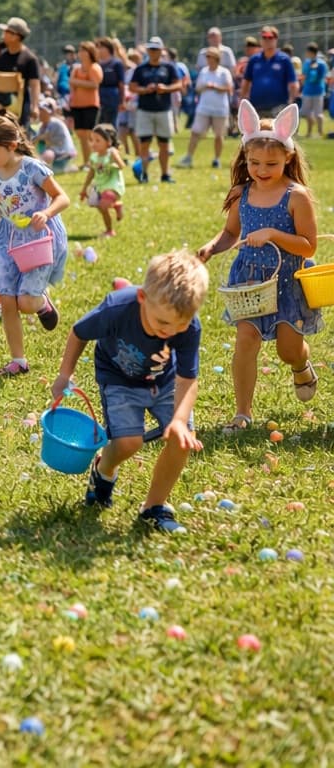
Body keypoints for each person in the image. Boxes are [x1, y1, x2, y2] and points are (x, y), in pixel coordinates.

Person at [50, 250, 207, 535]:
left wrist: (179, 420)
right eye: (161, 323)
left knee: (182, 440)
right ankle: (103, 470)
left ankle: (154, 506)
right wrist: (64, 375)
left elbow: (188, 379)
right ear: (142, 299)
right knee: (128, 444)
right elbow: (78, 333)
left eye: (179, 325)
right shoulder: (117, 309)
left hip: (166, 381)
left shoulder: (188, 326)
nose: (169, 332)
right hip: (119, 378)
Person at [197, 103, 321, 430]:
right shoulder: (242, 193)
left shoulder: (297, 196)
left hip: (288, 282)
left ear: (288, 158)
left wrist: (274, 234)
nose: (261, 170)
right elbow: (230, 233)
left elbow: (309, 245)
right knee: (246, 341)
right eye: (254, 163)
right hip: (250, 281)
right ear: (245, 157)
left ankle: (302, 364)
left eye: (271, 163)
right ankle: (242, 413)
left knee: (288, 349)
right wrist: (212, 247)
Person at [0, 112, 69, 376]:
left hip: (38, 238)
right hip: (7, 241)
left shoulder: (32, 168)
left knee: (26, 302)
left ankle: (42, 303)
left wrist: (46, 213)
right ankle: (18, 361)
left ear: (11, 145)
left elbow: (62, 197)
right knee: (7, 300)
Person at [128, 36, 182, 184]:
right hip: (145, 110)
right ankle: (143, 174)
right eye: (151, 49)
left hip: (163, 110)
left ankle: (165, 174)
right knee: (144, 143)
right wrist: (145, 90)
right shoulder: (140, 69)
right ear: (147, 51)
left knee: (164, 143)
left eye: (156, 49)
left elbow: (178, 85)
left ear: (161, 51)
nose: (153, 52)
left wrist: (165, 89)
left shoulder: (169, 67)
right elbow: (132, 87)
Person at [179, 47, 234, 168]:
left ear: (216, 58)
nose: (207, 59)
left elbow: (229, 88)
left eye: (209, 56)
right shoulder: (204, 71)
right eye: (207, 56)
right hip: (203, 108)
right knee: (195, 132)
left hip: (220, 109)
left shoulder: (224, 72)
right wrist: (205, 86)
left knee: (219, 135)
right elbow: (198, 88)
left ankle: (217, 159)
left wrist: (215, 87)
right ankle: (188, 157)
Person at [0, 17, 43, 124]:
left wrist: (35, 107)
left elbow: (35, 84)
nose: (3, 34)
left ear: (15, 36)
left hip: (17, 109)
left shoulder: (29, 58)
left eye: (6, 32)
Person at [80, 124, 126, 237]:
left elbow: (122, 166)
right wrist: (84, 188)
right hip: (100, 186)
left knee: (104, 205)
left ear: (108, 142)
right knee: (96, 204)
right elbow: (91, 173)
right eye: (92, 140)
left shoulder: (111, 153)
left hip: (113, 186)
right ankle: (116, 206)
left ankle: (110, 231)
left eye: (98, 140)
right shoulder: (94, 157)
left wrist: (114, 159)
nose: (93, 144)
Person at [242, 26, 298, 115]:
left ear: (276, 39)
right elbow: (246, 82)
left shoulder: (284, 59)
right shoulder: (254, 60)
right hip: (256, 107)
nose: (267, 40)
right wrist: (243, 103)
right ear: (261, 40)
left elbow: (293, 84)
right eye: (264, 37)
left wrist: (291, 102)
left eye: (270, 37)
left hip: (279, 107)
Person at [66, 41, 102, 163]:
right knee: (81, 134)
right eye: (80, 50)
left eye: (83, 50)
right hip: (77, 104)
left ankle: (94, 160)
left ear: (90, 52)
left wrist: (77, 82)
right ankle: (86, 161)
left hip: (91, 104)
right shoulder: (76, 69)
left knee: (89, 133)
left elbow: (94, 84)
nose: (80, 53)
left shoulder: (94, 67)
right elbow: (71, 84)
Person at [34, 99, 77, 172]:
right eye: (39, 110)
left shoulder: (54, 123)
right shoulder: (43, 126)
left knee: (56, 169)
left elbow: (45, 137)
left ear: (48, 113)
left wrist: (38, 138)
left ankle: (71, 168)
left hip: (64, 154)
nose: (40, 113)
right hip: (57, 153)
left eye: (42, 111)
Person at [300, 43, 327, 139]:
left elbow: (322, 77)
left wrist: (313, 71)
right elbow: (303, 75)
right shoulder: (306, 63)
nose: (306, 53)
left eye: (308, 52)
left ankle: (320, 132)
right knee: (306, 113)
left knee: (318, 113)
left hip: (318, 91)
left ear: (311, 52)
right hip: (307, 91)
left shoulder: (321, 63)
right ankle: (309, 132)